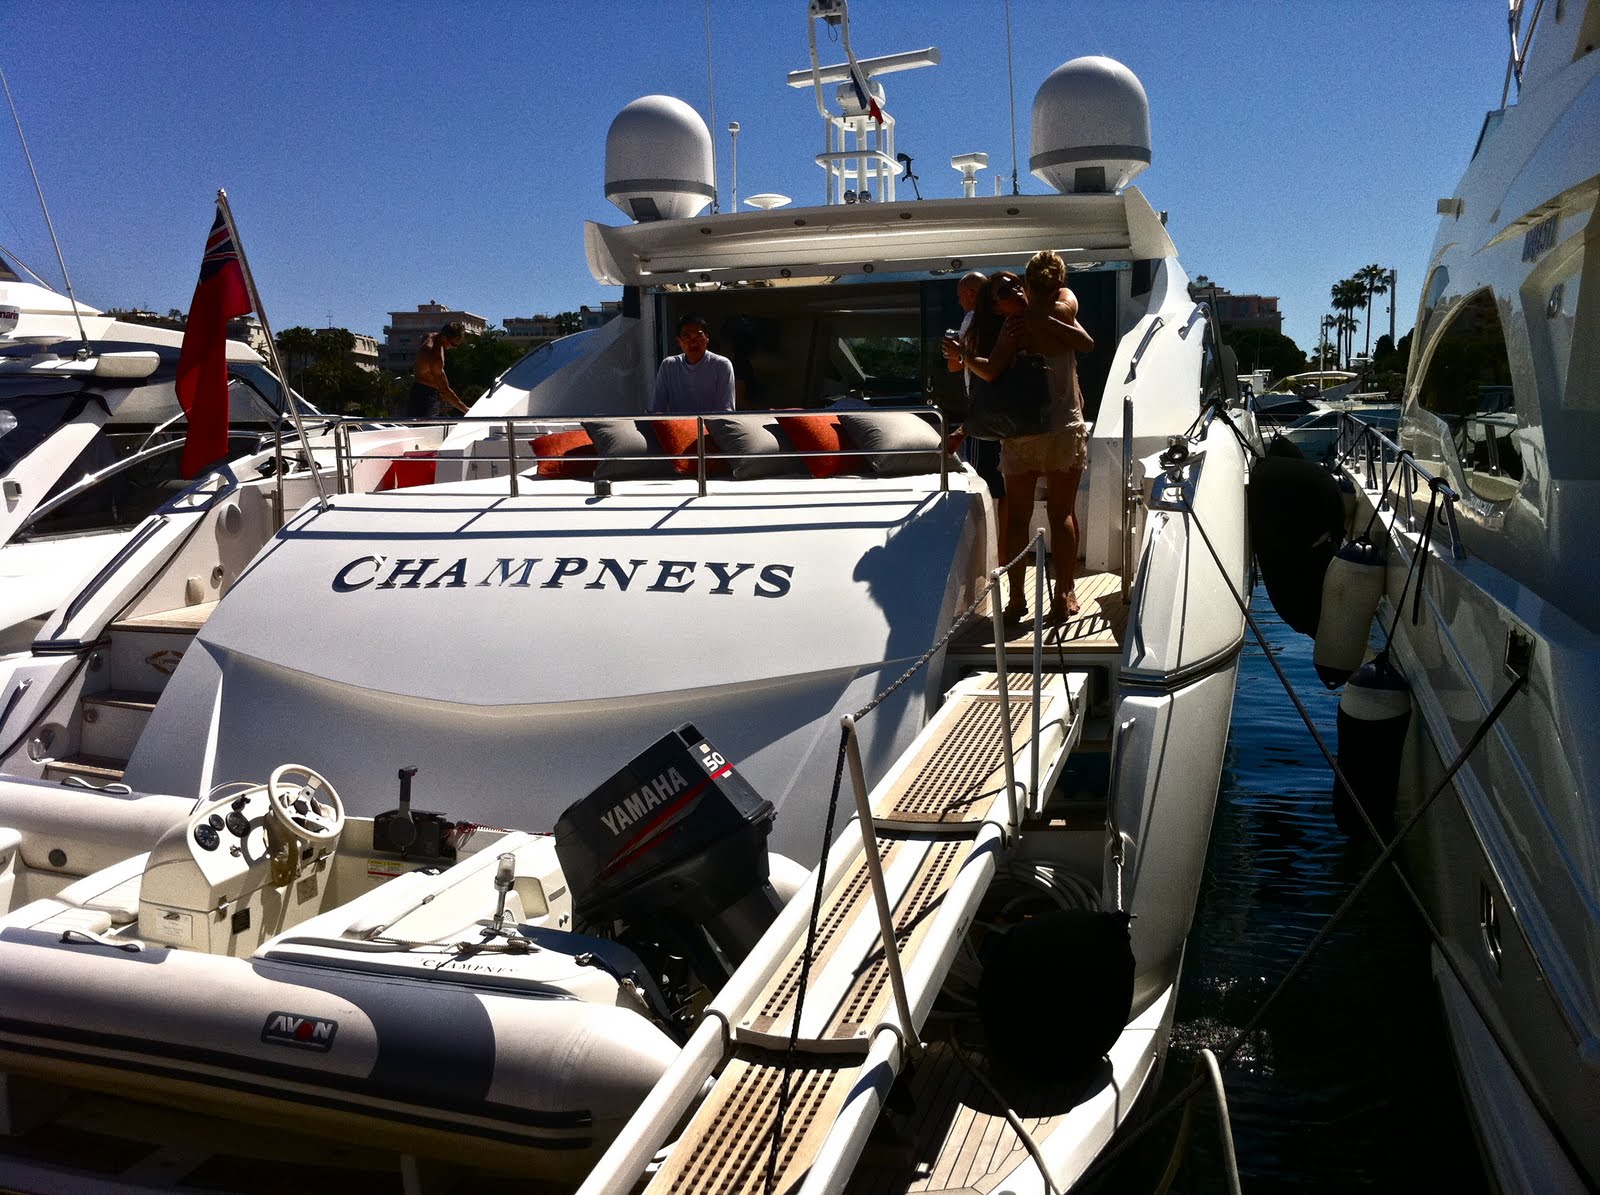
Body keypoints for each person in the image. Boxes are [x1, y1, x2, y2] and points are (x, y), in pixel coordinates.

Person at [955, 252, 1094, 622]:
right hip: (1062, 429)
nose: (1016, 291)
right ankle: (1063, 595)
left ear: (1027, 284)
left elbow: (991, 372)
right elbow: (1086, 343)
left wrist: (964, 356)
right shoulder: (1061, 311)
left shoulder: (1013, 326)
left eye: (1018, 284)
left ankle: (1019, 600)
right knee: (1061, 514)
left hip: (1021, 434)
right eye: (1007, 290)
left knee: (1018, 519)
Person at [940, 272, 1004, 499]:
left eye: (960, 296)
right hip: (1008, 413)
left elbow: (955, 366)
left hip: (984, 411)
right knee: (1004, 484)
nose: (959, 302)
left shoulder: (973, 318)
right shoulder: (1004, 318)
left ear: (971, 293)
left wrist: (955, 351)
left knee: (984, 481)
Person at [650, 314, 736, 414]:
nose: (693, 343)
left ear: (707, 338)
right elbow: (657, 411)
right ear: (679, 341)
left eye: (699, 337)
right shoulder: (668, 366)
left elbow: (726, 412)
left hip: (712, 424)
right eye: (687, 337)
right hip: (678, 424)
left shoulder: (721, 365)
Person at [409, 321, 469, 418]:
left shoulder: (429, 337)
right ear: (444, 338)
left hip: (418, 391)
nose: (453, 348)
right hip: (426, 397)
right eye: (453, 345)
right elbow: (445, 389)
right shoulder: (435, 356)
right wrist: (465, 409)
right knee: (428, 426)